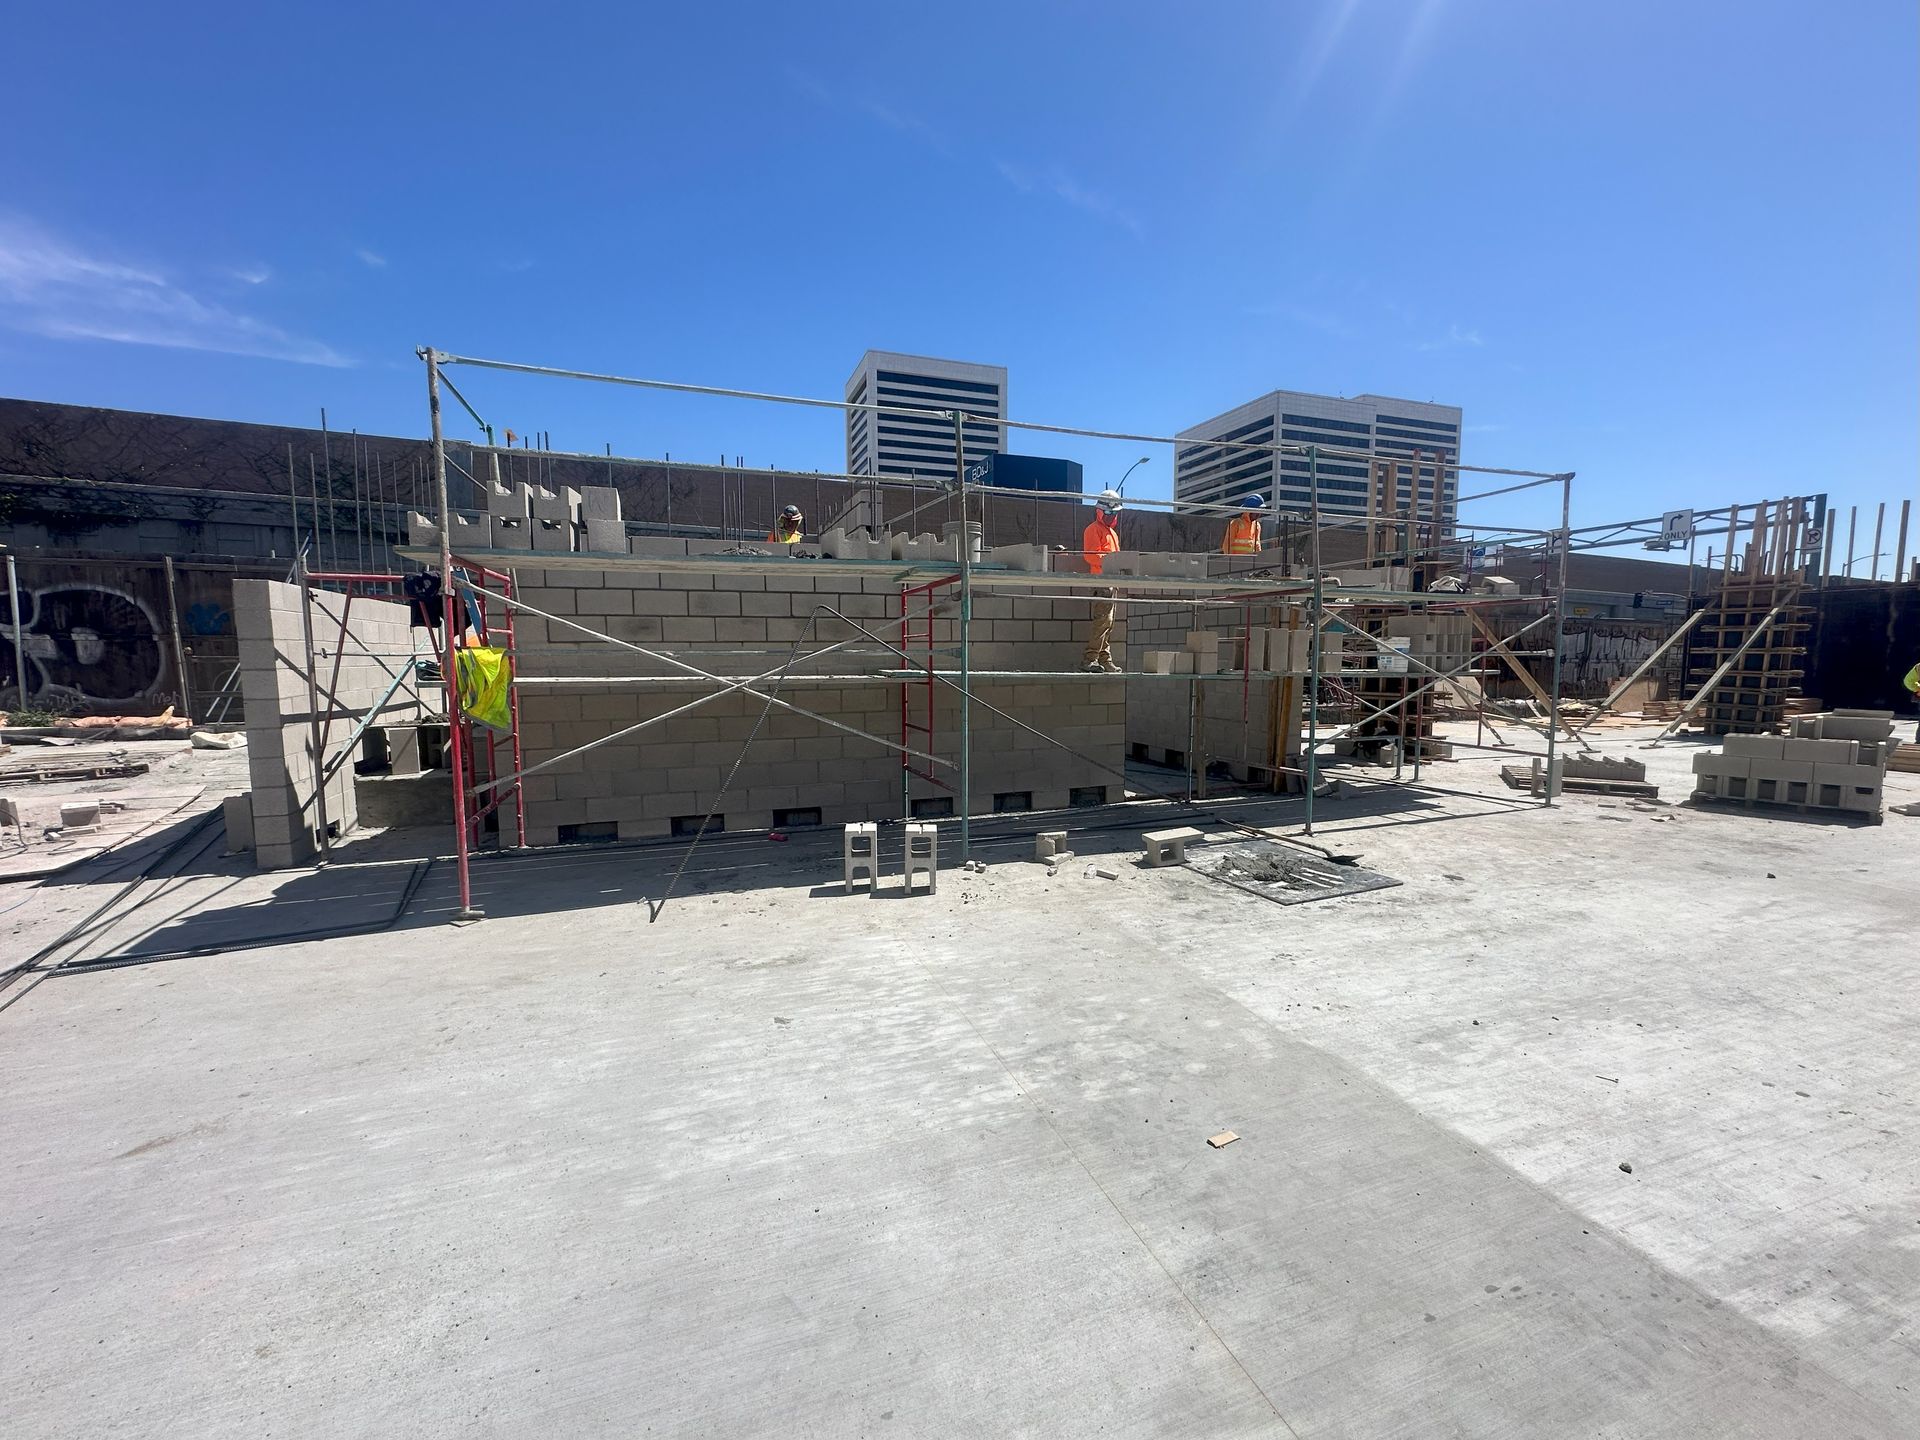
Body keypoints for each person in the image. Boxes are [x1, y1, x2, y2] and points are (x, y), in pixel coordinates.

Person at [1082, 489, 1122, 673]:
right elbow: (1091, 557)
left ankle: (1105, 659)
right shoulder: (1093, 529)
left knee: (1109, 623)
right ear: (1099, 511)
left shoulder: (1112, 533)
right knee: (1102, 622)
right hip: (1101, 580)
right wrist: (1111, 561)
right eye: (1108, 513)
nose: (1111, 516)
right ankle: (1090, 659)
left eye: (1114, 513)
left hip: (1113, 582)